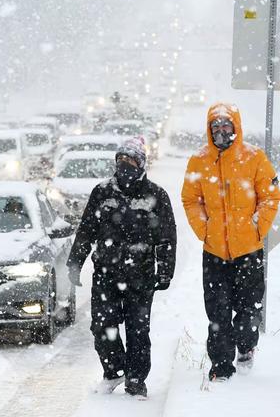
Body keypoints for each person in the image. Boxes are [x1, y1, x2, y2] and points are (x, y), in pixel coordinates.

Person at [67, 137, 177, 397]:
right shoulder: (102, 192)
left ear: (141, 164)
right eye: (121, 160)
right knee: (102, 326)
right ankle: (115, 372)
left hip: (141, 276)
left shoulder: (156, 196)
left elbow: (167, 237)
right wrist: (75, 263)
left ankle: (137, 379)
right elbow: (86, 232)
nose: (125, 165)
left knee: (138, 330)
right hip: (106, 274)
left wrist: (165, 270)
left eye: (131, 161)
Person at [182, 103, 280, 382]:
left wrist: (257, 226)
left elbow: (271, 196)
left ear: (236, 127)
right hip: (214, 252)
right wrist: (205, 229)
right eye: (216, 127)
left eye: (226, 126)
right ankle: (221, 366)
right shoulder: (199, 161)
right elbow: (191, 200)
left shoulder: (254, 158)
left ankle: (247, 345)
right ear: (209, 130)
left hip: (248, 251)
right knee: (218, 313)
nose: (221, 131)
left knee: (249, 311)